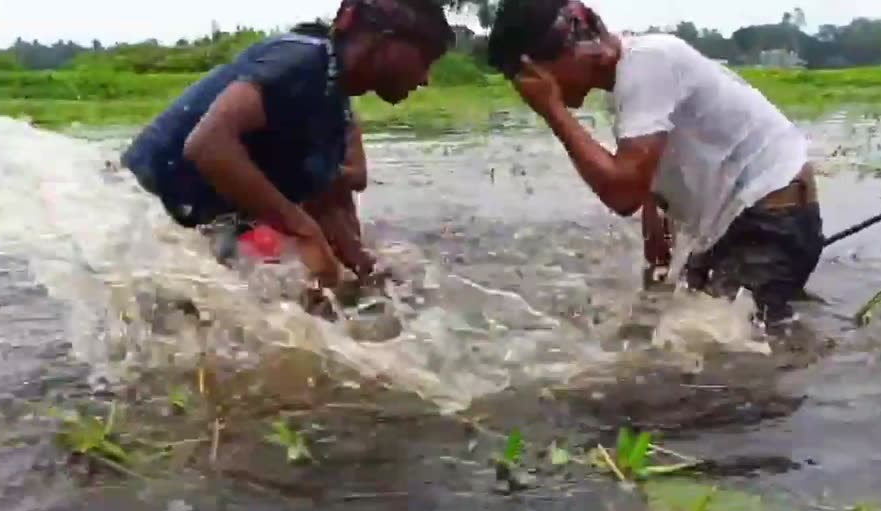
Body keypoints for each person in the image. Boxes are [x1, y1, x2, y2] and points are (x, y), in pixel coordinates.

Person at [486, 0, 824, 324]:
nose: (531, 89)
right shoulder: (629, 80)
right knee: (683, 327)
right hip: (743, 225)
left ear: (567, 53)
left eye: (531, 75)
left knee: (721, 357)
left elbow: (623, 194)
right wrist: (656, 278)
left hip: (769, 222)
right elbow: (648, 191)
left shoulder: (648, 63)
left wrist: (552, 109)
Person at [121, 0, 454, 292]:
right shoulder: (303, 60)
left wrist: (370, 275)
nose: (425, 78)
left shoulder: (333, 102)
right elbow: (207, 144)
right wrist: (302, 229)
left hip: (188, 226)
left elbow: (325, 203)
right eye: (425, 59)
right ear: (385, 40)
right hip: (135, 213)